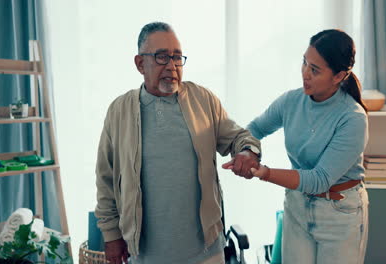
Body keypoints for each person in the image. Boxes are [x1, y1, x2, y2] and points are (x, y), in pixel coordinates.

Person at [94, 21, 261, 264]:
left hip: (206, 252)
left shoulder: (203, 100)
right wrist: (111, 235)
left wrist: (248, 151)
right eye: (161, 57)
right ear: (140, 64)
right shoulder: (119, 111)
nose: (172, 66)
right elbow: (105, 179)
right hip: (145, 255)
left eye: (177, 57)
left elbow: (239, 137)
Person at [239, 29, 370, 264]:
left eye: (315, 70)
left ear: (339, 76)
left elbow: (319, 179)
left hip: (340, 213)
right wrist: (249, 151)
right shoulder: (291, 101)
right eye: (304, 63)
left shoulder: (352, 118)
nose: (305, 74)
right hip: (297, 207)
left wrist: (265, 173)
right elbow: (254, 129)